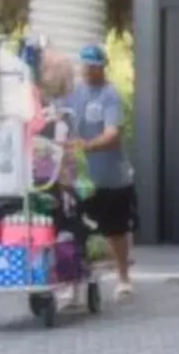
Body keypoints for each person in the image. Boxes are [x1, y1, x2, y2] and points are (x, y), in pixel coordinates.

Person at [58, 44, 138, 301]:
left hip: (110, 177)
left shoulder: (109, 95)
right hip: (79, 178)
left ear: (102, 67)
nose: (86, 70)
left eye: (91, 66)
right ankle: (72, 280)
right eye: (84, 65)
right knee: (73, 227)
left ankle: (123, 276)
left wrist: (87, 146)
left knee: (114, 229)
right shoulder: (75, 93)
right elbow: (60, 118)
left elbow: (113, 134)